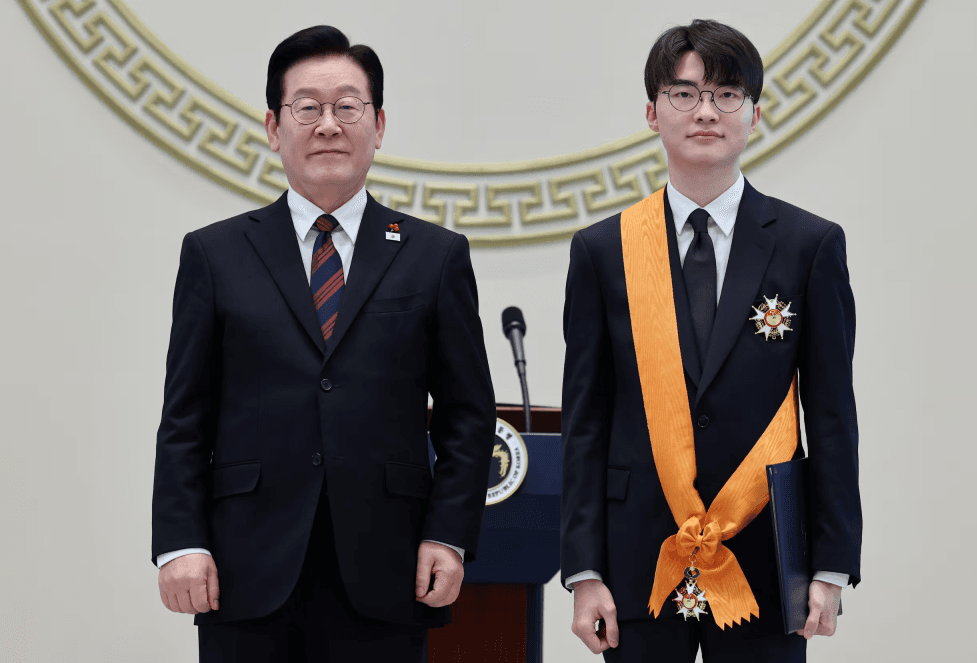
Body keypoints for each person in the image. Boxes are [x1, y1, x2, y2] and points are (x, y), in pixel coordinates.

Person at [150, 25, 495, 662]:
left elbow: (467, 416)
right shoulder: (216, 253)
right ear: (274, 128)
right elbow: (186, 414)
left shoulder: (435, 256)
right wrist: (180, 542)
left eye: (347, 107)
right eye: (307, 108)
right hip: (245, 566)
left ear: (379, 124)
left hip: (388, 567)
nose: (328, 125)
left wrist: (449, 535)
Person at [560, 19, 861, 662]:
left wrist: (832, 566)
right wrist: (583, 571)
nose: (706, 112)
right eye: (684, 93)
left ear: (754, 113)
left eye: (726, 95)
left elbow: (833, 415)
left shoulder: (809, 245)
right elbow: (586, 423)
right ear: (651, 111)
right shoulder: (603, 251)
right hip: (636, 553)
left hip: (767, 553)